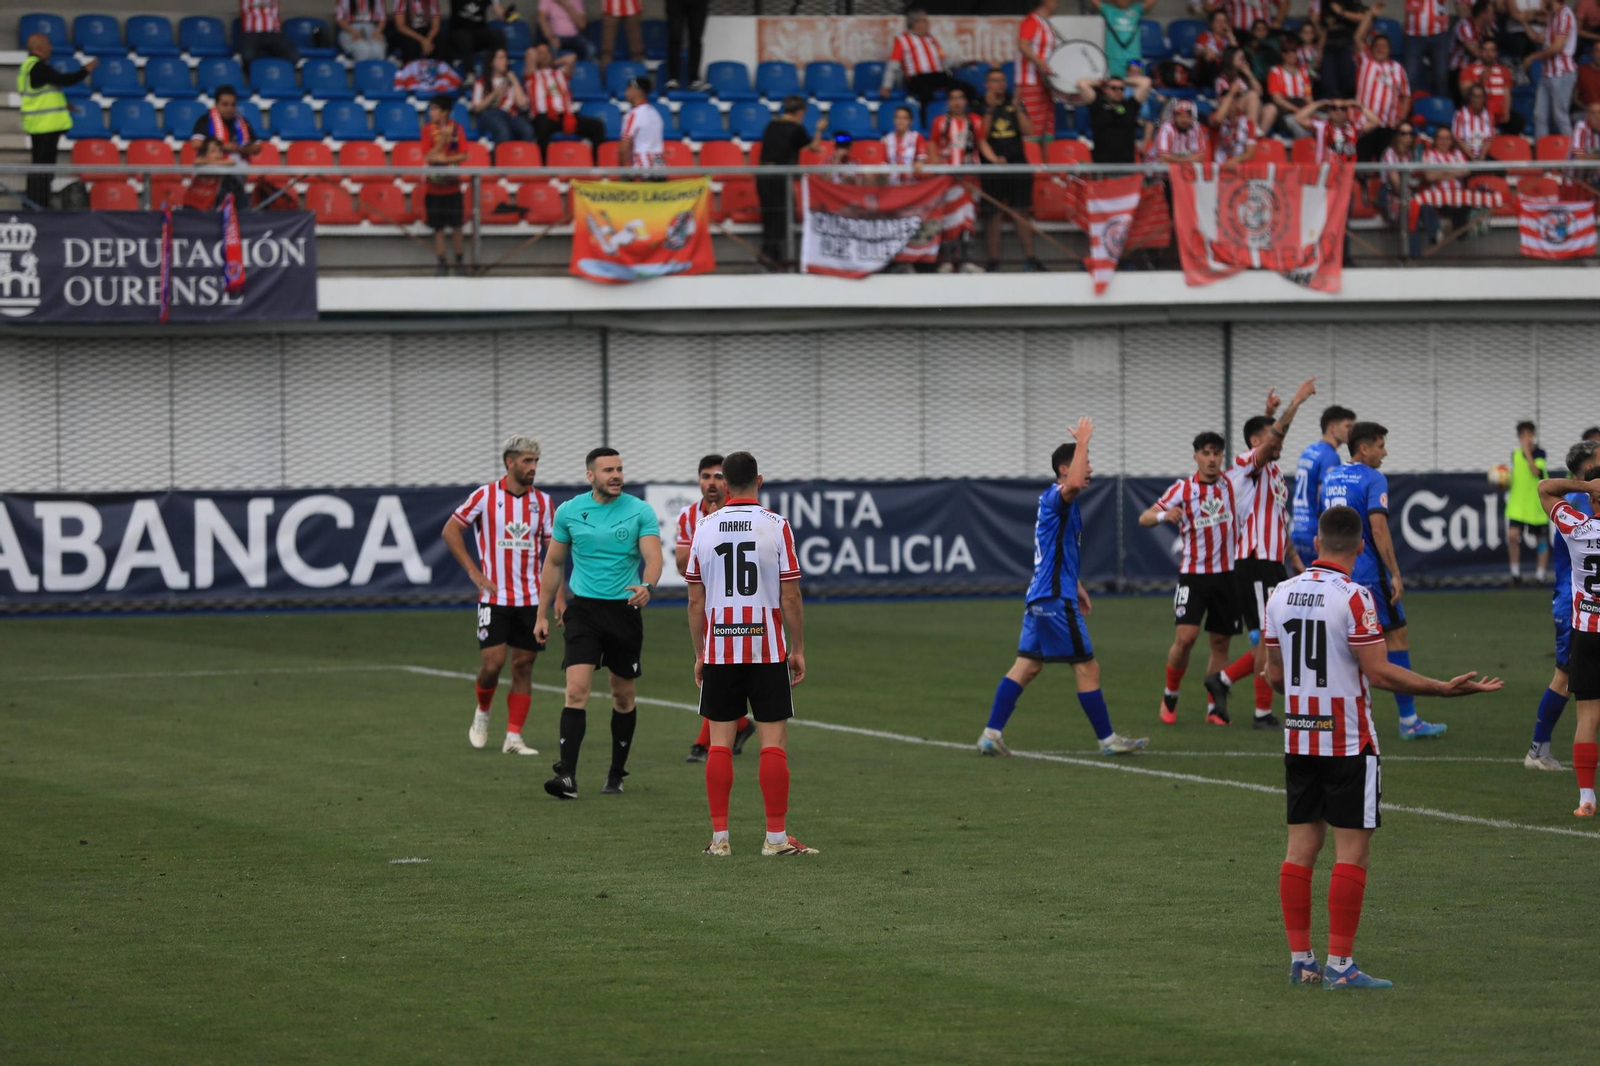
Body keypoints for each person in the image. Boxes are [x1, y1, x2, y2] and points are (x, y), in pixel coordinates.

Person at [1267, 504, 1502, 991]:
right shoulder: (1355, 596)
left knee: (1299, 851)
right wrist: (1442, 688)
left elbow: (1271, 674)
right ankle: (1340, 966)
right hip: (1349, 741)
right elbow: (1378, 671)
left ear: (1316, 544)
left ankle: (1301, 961)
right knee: (1352, 854)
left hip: (1299, 737)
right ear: (1358, 547)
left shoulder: (1280, 593)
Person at [978, 418, 1150, 758]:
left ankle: (990, 734)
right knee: (1088, 667)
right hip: (1054, 601)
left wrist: (1078, 585)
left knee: (1027, 666)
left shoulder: (1054, 502)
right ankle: (1107, 740)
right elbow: (1071, 484)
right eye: (1084, 463)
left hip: (1042, 596)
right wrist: (1082, 440)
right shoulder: (1060, 495)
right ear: (1064, 468)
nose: (1089, 469)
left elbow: (1056, 552)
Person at [685, 451, 815, 857]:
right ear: (759, 481)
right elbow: (791, 595)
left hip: (721, 649)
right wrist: (797, 648)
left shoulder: (704, 527)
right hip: (766, 648)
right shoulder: (777, 526)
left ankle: (720, 839)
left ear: (723, 484)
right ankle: (775, 840)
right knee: (772, 741)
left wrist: (700, 652)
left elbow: (694, 601)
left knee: (720, 744)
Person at [534, 447, 663, 800]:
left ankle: (616, 771)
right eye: (608, 470)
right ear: (590, 475)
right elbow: (554, 564)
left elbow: (654, 558)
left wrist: (647, 586)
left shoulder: (640, 511)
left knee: (623, 696)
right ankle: (567, 777)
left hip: (624, 611)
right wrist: (542, 613)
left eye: (619, 468)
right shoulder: (570, 511)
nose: (616, 475)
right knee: (576, 690)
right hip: (585, 612)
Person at [1320, 422, 1448, 740]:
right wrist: (1394, 572)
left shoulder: (1331, 475)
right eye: (1380, 446)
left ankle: (1335, 717)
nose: (1384, 452)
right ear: (1364, 449)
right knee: (1396, 639)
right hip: (1368, 575)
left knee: (1342, 643)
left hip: (1334, 571)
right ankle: (1409, 721)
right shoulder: (1373, 478)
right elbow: (1378, 530)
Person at [1204, 382, 1317, 731]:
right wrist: (1295, 403)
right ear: (1258, 442)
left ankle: (1222, 680)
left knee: (1279, 636)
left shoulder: (1272, 473)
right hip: (1253, 563)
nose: (1278, 442)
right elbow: (1266, 443)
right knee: (1268, 637)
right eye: (1271, 437)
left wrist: (1294, 560)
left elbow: (1277, 521)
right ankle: (1261, 713)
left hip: (1272, 563)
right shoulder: (1244, 466)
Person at [441, 435, 555, 758]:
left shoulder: (544, 503)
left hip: (532, 599)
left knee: (523, 665)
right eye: (526, 461)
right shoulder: (485, 496)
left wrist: (558, 594)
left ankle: (513, 737)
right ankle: (483, 710)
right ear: (509, 462)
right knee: (493, 665)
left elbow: (553, 552)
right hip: (494, 598)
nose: (532, 468)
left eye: (535, 462)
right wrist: (473, 572)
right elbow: (450, 530)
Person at [1525, 436, 1600, 772]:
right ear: (1588, 467)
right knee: (1565, 676)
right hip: (1578, 605)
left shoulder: (1575, 499)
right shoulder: (1581, 501)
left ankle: (1539, 750)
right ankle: (1537, 750)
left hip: (1582, 603)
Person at [679, 456, 756, 764]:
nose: (711, 482)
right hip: (709, 605)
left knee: (718, 673)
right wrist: (705, 536)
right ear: (698, 480)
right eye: (705, 476)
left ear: (726, 483)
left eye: (717, 476)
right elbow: (683, 564)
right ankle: (738, 726)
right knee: (717, 673)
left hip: (741, 605)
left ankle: (704, 743)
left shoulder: (743, 513)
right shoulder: (689, 517)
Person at [1537, 464, 1600, 816]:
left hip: (1588, 634)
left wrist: (1586, 485)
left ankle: (1586, 798)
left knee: (1588, 717)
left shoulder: (1577, 526)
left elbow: (1545, 488)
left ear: (1592, 499)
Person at [19, 34, 94, 211]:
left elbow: (45, 92)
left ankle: (37, 203)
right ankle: (37, 205)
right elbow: (64, 80)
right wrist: (86, 70)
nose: (51, 48)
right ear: (37, 48)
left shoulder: (32, 67)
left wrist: (64, 104)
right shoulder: (37, 67)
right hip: (44, 124)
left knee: (43, 166)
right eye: (47, 44)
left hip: (40, 123)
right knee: (42, 167)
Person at [977, 69, 1042, 273]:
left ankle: (1031, 258)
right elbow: (982, 135)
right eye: (995, 80)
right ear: (987, 83)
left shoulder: (1014, 102)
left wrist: (1018, 108)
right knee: (993, 214)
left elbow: (1028, 130)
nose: (1000, 84)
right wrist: (989, 109)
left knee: (1021, 211)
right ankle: (993, 260)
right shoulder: (980, 104)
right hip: (991, 167)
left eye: (1003, 80)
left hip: (1017, 164)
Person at [757, 96, 826, 269]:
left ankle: (769, 255)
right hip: (780, 176)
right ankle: (772, 258)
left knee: (769, 216)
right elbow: (815, 147)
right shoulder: (795, 128)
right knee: (781, 217)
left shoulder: (772, 125)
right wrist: (819, 129)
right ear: (800, 112)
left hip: (763, 174)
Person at [1290, 405, 1356, 567]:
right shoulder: (1330, 456)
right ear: (1332, 427)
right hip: (1315, 532)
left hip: (1298, 528)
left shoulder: (1309, 450)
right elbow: (1324, 496)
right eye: (1348, 426)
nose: (1351, 432)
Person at [929, 88, 984, 274]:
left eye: (961, 98)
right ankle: (946, 260)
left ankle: (966, 260)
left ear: (966, 101)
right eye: (953, 98)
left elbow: (982, 143)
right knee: (948, 218)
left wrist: (996, 159)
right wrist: (935, 163)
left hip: (970, 177)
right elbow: (932, 144)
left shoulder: (975, 120)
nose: (957, 102)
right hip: (947, 179)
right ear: (948, 102)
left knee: (968, 216)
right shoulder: (940, 122)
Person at [881, 9, 978, 110]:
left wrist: (961, 63)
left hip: (938, 76)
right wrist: (886, 86)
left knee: (969, 89)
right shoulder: (902, 39)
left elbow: (943, 61)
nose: (928, 24)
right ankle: (924, 122)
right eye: (925, 21)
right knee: (926, 94)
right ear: (915, 23)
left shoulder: (931, 39)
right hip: (918, 78)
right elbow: (893, 65)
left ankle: (970, 118)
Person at [525, 42, 605, 156]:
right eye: (540, 53)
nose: (544, 55)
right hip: (544, 115)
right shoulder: (532, 74)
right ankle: (543, 168)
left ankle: (596, 163)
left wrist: (552, 62)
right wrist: (539, 57)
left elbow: (572, 58)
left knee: (598, 126)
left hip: (565, 115)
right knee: (543, 131)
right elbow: (530, 53)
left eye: (547, 52)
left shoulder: (560, 73)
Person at [423, 93, 468, 275]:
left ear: (445, 112)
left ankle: (459, 262)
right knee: (438, 228)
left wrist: (446, 158)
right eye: (430, 108)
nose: (430, 112)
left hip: (453, 186)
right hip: (433, 188)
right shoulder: (426, 130)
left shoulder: (457, 129)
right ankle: (442, 262)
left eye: (434, 109)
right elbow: (428, 155)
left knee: (457, 226)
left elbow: (464, 154)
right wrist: (442, 140)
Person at [1354, 18, 1410, 159]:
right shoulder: (1365, 62)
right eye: (1377, 46)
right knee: (1362, 165)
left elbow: (1406, 95)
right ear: (1371, 49)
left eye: (1384, 46)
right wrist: (1370, 14)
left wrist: (1401, 118)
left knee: (1384, 167)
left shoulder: (1398, 68)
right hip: (1364, 125)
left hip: (1387, 126)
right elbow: (1357, 38)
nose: (1380, 49)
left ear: (1389, 50)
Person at [1504, 421, 1552, 586]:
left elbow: (1535, 471)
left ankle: (1540, 576)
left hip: (1536, 505)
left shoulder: (1540, 453)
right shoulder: (1515, 454)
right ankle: (1515, 574)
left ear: (1533, 435)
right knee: (1512, 536)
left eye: (1529, 434)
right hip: (1518, 505)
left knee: (1541, 540)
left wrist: (1527, 451)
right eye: (1522, 435)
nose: (1526, 438)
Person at [1078, 71, 1153, 164]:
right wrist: (1104, 82)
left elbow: (1146, 82)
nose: (1118, 91)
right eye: (1113, 88)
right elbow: (1082, 84)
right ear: (1105, 89)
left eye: (1121, 88)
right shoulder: (1097, 105)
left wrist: (1122, 81)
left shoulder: (1130, 106)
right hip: (1101, 165)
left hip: (1126, 165)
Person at [1530, 0, 1579, 138]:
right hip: (1547, 72)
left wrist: (1533, 57)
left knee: (1560, 116)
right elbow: (1540, 39)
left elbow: (1557, 47)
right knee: (1539, 115)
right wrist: (1524, 22)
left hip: (1561, 72)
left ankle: (1570, 155)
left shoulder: (1565, 15)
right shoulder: (1552, 16)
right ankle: (1542, 154)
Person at [1015, 0, 1059, 141]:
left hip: (1046, 83)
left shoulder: (1047, 24)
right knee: (1031, 128)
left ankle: (1046, 162)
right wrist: (1040, 63)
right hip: (1030, 81)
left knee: (1047, 129)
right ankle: (1031, 161)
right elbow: (1023, 44)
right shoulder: (1032, 20)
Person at [470, 47, 532, 143]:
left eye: (505, 58)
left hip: (510, 115)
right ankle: (498, 157)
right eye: (500, 58)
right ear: (491, 62)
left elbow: (522, 105)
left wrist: (514, 80)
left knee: (527, 130)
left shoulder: (511, 81)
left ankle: (526, 157)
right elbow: (477, 108)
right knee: (503, 131)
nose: (504, 61)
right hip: (490, 114)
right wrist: (494, 94)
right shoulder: (481, 82)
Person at [1459, 38, 1519, 134]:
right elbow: (1465, 94)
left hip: (1499, 114)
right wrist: (1479, 81)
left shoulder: (1504, 71)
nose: (1488, 53)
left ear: (1496, 53)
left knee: (1517, 121)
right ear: (1480, 51)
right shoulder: (1468, 70)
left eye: (1492, 50)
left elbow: (1507, 94)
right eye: (1485, 50)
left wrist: (1506, 111)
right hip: (1478, 114)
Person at [1293, 97, 1379, 160]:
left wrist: (1359, 105)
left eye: (1343, 108)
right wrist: (1319, 103)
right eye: (1334, 108)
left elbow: (1375, 122)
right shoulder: (1320, 126)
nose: (1338, 112)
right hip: (1324, 173)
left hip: (1346, 174)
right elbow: (1298, 117)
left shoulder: (1353, 127)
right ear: (1329, 111)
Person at [191, 85, 263, 160]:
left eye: (233, 105)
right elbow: (196, 143)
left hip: (238, 167)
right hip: (212, 167)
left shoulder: (243, 122)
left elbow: (257, 146)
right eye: (225, 104)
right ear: (216, 105)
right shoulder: (205, 120)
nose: (230, 108)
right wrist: (223, 146)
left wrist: (239, 149)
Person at [1320, 0, 1370, 101]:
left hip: (1346, 45)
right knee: (1328, 82)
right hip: (1329, 47)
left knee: (1347, 82)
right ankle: (1334, 109)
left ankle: (1347, 108)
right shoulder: (1325, 3)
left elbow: (1363, 18)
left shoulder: (1349, 3)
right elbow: (1324, 29)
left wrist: (1342, 12)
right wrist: (1320, 50)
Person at [1402, 0, 1451, 99]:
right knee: (1410, 77)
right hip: (1414, 34)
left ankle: (1441, 110)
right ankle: (1408, 110)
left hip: (1439, 33)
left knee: (1441, 77)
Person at [184, 137, 247, 210]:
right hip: (192, 203)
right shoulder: (200, 162)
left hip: (210, 204)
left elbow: (231, 162)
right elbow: (197, 161)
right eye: (213, 151)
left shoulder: (222, 162)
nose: (217, 154)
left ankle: (241, 211)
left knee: (233, 180)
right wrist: (213, 163)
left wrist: (212, 163)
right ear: (204, 154)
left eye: (220, 151)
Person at [1088, 0, 1147, 78]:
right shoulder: (1108, 10)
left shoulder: (1137, 9)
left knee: (1137, 86)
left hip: (1134, 59)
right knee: (1115, 85)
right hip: (1113, 59)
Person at [1450, 1, 1494, 100]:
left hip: (1476, 69)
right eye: (1491, 13)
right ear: (1483, 15)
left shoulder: (1485, 29)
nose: (1493, 16)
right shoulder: (1464, 26)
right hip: (1459, 69)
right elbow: (1475, 51)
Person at [663, 0, 710, 93]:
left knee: (696, 39)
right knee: (675, 38)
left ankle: (694, 79)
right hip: (675, 3)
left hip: (699, 3)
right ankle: (674, 78)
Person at [450, 0, 506, 76]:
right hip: (459, 34)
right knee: (465, 36)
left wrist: (508, 15)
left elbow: (500, 13)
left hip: (478, 34)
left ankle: (502, 72)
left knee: (497, 33)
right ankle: (470, 75)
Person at [240, 0, 301, 68]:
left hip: (274, 33)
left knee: (293, 57)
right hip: (252, 33)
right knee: (248, 57)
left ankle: (279, 75)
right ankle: (257, 75)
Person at [1268, 47, 1316, 135]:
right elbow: (1277, 99)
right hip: (1286, 110)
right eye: (1288, 52)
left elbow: (1308, 96)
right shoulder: (1275, 72)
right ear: (1283, 55)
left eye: (1294, 51)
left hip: (1302, 106)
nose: (1292, 55)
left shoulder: (1304, 73)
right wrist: (1297, 110)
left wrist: (1310, 111)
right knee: (1301, 130)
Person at [1149, 99, 1207, 163]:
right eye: (1181, 116)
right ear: (1174, 116)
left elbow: (1200, 157)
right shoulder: (1166, 128)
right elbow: (1163, 159)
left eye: (1188, 117)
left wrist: (1177, 160)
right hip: (1156, 170)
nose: (1184, 120)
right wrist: (1189, 160)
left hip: (1182, 170)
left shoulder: (1196, 129)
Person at [882, 104, 928, 182]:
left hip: (911, 182)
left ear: (910, 121)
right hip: (891, 183)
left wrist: (920, 161)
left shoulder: (917, 137)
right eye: (898, 117)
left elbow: (922, 157)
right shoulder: (886, 139)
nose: (900, 121)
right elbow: (882, 162)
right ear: (894, 120)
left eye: (904, 118)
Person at [387, 0, 442, 65]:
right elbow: (400, 26)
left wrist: (428, 40)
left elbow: (436, 26)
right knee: (409, 43)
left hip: (426, 30)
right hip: (408, 30)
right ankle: (410, 69)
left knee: (439, 40)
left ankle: (441, 69)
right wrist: (422, 40)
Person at [1195, 10, 1238, 88]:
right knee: (1207, 59)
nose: (1222, 25)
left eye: (1225, 21)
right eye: (1219, 21)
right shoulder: (1205, 36)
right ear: (1212, 24)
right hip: (1209, 71)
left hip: (1226, 71)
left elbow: (1236, 53)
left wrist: (1230, 35)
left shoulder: (1229, 39)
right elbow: (1197, 51)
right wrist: (1205, 51)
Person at [600, 0, 645, 74]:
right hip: (610, 7)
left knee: (637, 49)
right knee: (607, 49)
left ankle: (639, 76)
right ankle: (605, 77)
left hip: (632, 7)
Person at [1453, 83, 1496, 159]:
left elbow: (1489, 139)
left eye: (1480, 97)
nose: (1477, 100)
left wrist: (1482, 156)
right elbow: (1458, 139)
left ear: (1484, 99)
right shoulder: (1460, 114)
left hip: (1482, 155)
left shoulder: (1489, 116)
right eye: (1474, 96)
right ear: (1470, 98)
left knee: (1501, 169)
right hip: (1464, 156)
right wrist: (1472, 157)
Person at [1579, 40, 1600, 108]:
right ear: (1592, 53)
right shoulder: (1581, 71)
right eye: (1597, 51)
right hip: (1586, 112)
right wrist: (1589, 110)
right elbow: (1574, 96)